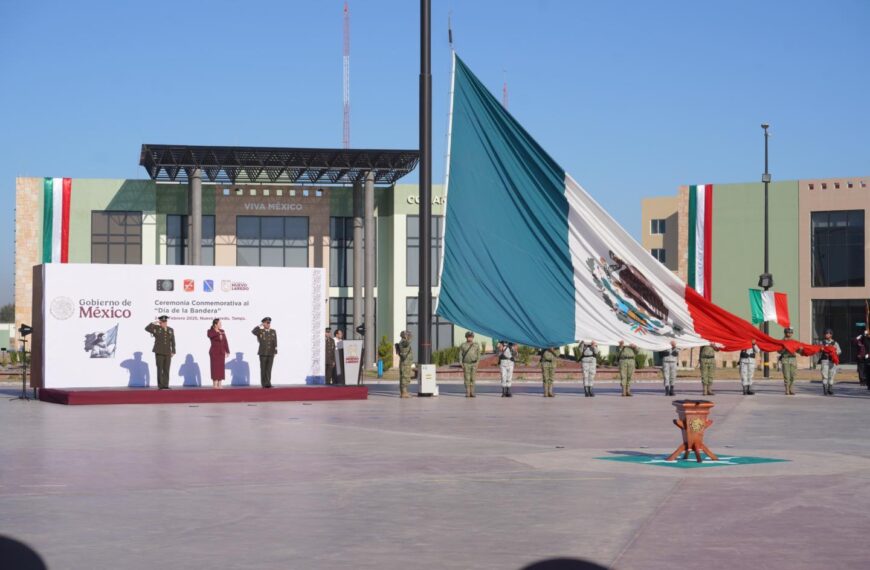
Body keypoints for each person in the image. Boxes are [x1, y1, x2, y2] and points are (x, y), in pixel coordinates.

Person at [145, 315, 175, 390]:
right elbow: (147, 328)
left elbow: (173, 341)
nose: (164, 323)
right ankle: (161, 385)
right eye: (162, 322)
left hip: (168, 352)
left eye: (165, 322)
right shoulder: (156, 328)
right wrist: (154, 323)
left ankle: (166, 385)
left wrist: (173, 351)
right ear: (160, 322)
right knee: (160, 368)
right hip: (159, 351)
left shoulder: (170, 329)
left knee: (166, 369)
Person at [252, 317, 277, 388]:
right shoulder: (260, 331)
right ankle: (264, 384)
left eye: (269, 323)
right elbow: (253, 331)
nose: (268, 324)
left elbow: (275, 341)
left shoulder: (273, 331)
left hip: (271, 353)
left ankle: (268, 383)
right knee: (263, 368)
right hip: (263, 352)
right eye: (267, 323)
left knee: (269, 369)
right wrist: (260, 325)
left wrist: (275, 351)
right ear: (264, 323)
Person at [207, 319, 230, 389]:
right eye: (219, 323)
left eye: (221, 323)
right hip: (214, 352)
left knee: (221, 368)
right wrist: (218, 333)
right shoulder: (210, 331)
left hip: (221, 352)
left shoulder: (222, 331)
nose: (221, 324)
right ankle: (215, 383)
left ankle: (220, 383)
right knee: (215, 368)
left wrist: (227, 351)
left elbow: (225, 341)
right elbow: (210, 336)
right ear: (215, 324)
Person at [818, 328, 841, 396]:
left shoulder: (835, 343)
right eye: (826, 333)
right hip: (825, 360)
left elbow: (839, 351)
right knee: (825, 375)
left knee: (832, 375)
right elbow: (818, 351)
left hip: (832, 360)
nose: (827, 335)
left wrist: (834, 352)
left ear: (831, 334)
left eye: (828, 333)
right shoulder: (822, 343)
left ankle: (830, 389)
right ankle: (825, 389)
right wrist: (821, 350)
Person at [778, 327, 799, 396]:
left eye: (790, 332)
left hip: (793, 359)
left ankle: (791, 389)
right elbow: (779, 350)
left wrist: (800, 349)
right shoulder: (782, 341)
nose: (789, 334)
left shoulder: (794, 341)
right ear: (785, 333)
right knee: (786, 376)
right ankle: (787, 389)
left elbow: (798, 350)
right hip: (785, 359)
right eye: (787, 332)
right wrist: (784, 348)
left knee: (793, 375)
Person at [460, 331, 480, 398]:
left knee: (473, 378)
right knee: (467, 378)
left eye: (471, 337)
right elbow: (460, 355)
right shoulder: (463, 345)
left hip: (474, 364)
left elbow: (478, 355)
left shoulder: (476, 345)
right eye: (469, 337)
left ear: (473, 337)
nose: (470, 338)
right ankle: (468, 392)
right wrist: (461, 363)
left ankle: (472, 392)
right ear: (466, 337)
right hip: (466, 364)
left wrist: (477, 363)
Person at [395, 330, 414, 398]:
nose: (410, 336)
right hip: (405, 363)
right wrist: (407, 338)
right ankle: (404, 393)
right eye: (408, 335)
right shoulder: (403, 342)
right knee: (405, 377)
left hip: (405, 362)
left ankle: (403, 392)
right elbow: (407, 342)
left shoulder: (402, 342)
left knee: (404, 377)